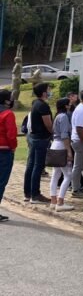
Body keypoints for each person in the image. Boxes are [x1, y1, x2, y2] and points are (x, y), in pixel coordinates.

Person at [25, 83, 53, 204]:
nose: (50, 91)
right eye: (48, 90)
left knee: (31, 165)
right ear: (43, 92)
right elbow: (48, 124)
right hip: (41, 138)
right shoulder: (43, 106)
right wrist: (53, 133)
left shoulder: (35, 103)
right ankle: (35, 194)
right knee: (38, 166)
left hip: (34, 137)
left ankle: (28, 192)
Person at [49, 98, 75, 212]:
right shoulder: (64, 117)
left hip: (55, 144)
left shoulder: (57, 116)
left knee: (56, 174)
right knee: (68, 174)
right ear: (66, 106)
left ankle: (53, 200)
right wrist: (69, 151)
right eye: (69, 104)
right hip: (62, 145)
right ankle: (60, 202)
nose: (70, 106)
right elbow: (65, 135)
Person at [0, 90, 17, 222]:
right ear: (6, 100)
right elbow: (11, 134)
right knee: (1, 182)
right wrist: (13, 147)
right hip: (4, 151)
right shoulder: (8, 114)